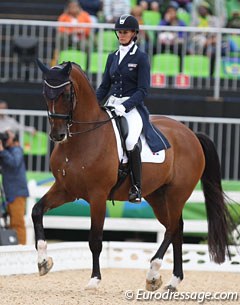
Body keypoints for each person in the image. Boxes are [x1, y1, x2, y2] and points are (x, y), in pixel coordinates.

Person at [96, 14, 169, 203]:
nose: (121, 35)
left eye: (125, 32)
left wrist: (126, 106)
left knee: (129, 141)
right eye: (119, 32)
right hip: (112, 104)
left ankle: (136, 187)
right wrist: (94, 104)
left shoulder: (141, 57)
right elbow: (105, 86)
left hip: (132, 106)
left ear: (134, 33)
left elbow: (143, 90)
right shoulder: (112, 57)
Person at [0, 130, 29, 244]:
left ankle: (21, 248)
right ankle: (14, 246)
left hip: (17, 193)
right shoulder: (7, 152)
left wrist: (2, 150)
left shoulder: (17, 150)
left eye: (7, 137)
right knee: (12, 223)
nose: (5, 139)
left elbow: (14, 163)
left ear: (13, 139)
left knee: (18, 223)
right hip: (10, 193)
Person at [157, 1, 186, 72]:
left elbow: (183, 35)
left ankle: (180, 71)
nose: (171, 13)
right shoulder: (163, 21)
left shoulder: (180, 22)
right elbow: (158, 31)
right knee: (153, 49)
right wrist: (166, 21)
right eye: (169, 12)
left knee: (181, 51)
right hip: (163, 44)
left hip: (175, 44)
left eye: (172, 12)